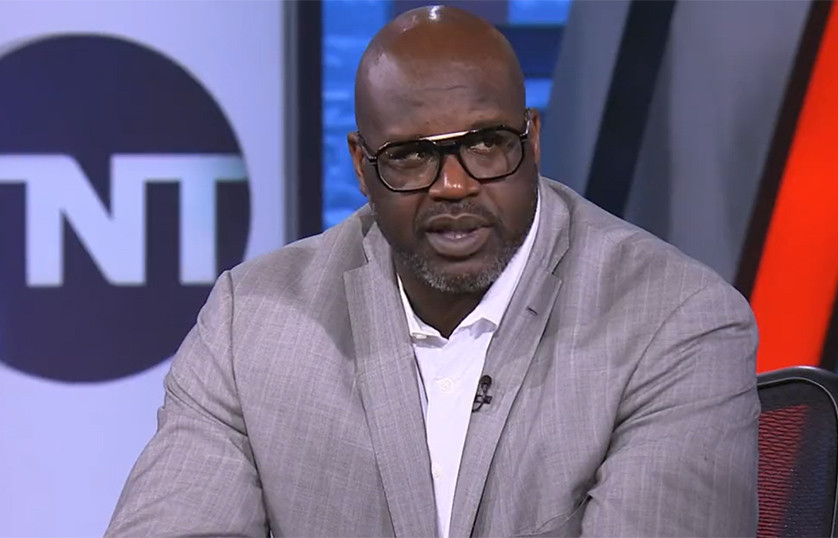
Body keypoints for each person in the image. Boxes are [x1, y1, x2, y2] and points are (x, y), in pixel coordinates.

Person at [106, 6, 759, 537]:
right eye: (412, 156)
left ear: (531, 139)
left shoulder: (673, 324)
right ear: (362, 166)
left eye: (485, 144)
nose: (453, 186)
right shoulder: (251, 325)